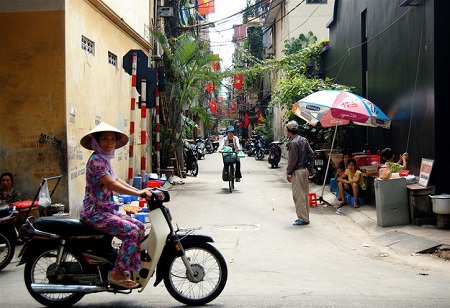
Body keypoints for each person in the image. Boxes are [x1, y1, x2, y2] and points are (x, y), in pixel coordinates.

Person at [80, 122, 153, 289]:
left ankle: (127, 263)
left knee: (140, 226)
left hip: (106, 211)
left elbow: (117, 179)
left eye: (112, 139)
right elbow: (111, 184)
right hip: (94, 213)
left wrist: (140, 190)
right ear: (97, 141)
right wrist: (138, 194)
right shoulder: (96, 161)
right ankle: (117, 273)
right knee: (131, 231)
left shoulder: (105, 160)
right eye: (104, 139)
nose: (109, 143)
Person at [285, 121, 314, 226]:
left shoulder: (293, 143)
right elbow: (311, 154)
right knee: (305, 194)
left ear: (289, 131)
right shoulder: (304, 140)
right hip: (305, 170)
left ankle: (303, 218)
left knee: (298, 195)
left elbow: (293, 160)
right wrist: (309, 167)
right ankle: (305, 217)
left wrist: (288, 173)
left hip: (297, 171)